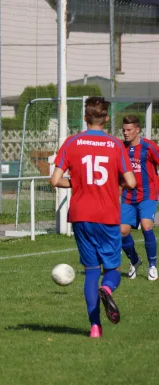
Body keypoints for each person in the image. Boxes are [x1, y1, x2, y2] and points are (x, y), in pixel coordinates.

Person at [51, 96, 135, 338]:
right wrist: (115, 182)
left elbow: (55, 180)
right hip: (107, 214)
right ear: (107, 118)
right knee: (111, 270)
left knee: (90, 270)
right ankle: (107, 289)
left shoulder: (72, 142)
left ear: (85, 118)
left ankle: (95, 328)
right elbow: (130, 181)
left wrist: (77, 183)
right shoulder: (115, 144)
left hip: (80, 214)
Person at [118, 115, 159, 280]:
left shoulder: (149, 146)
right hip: (128, 196)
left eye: (129, 130)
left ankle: (152, 266)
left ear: (137, 130)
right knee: (122, 231)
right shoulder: (121, 147)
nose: (126, 133)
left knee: (146, 226)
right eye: (124, 130)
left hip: (148, 194)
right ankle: (134, 260)